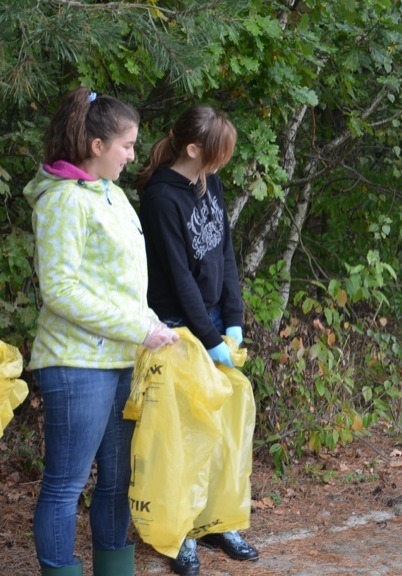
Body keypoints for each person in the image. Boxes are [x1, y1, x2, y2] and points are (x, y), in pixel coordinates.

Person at [24, 87, 178, 576]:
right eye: (127, 146)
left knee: (117, 479)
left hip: (119, 361)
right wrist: (138, 325)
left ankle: (115, 569)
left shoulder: (112, 196)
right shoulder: (64, 200)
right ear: (96, 146)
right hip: (75, 365)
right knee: (67, 484)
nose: (133, 156)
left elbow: (120, 285)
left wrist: (150, 322)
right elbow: (61, 291)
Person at [135, 105, 258, 576]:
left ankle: (214, 520)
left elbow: (224, 249)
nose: (222, 163)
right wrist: (207, 338)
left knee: (221, 429)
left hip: (209, 321)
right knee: (182, 436)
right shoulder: (162, 197)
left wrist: (232, 318)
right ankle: (180, 532)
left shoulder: (209, 180)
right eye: (217, 153)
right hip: (176, 328)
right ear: (193, 149)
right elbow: (179, 276)